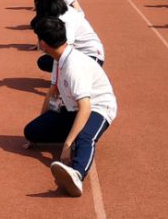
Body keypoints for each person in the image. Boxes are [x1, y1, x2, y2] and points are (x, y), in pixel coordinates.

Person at [23, 18, 117, 198]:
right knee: (31, 131)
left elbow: (86, 108)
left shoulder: (75, 67)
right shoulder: (58, 60)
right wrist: (42, 121)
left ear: (43, 43)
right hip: (76, 109)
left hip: (98, 107)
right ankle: (72, 137)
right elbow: (52, 93)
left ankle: (77, 174)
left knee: (84, 137)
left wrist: (67, 144)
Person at [33, 0, 104, 71]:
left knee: (54, 58)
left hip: (91, 57)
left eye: (38, 2)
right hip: (82, 54)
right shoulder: (62, 12)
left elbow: (70, 48)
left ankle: (76, 76)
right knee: (47, 60)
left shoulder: (64, 19)